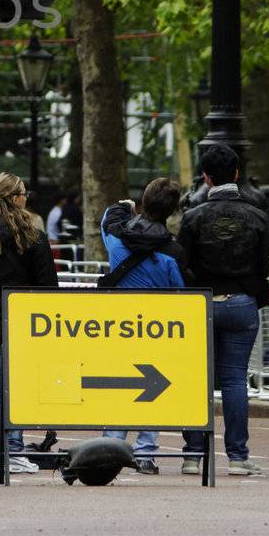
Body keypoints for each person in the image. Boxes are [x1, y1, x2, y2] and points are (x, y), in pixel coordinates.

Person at [178, 143, 269, 477]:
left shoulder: (192, 217)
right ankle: (237, 455)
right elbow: (266, 265)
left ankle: (192, 455)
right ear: (236, 173)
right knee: (234, 379)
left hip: (201, 303)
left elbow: (183, 264)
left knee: (196, 379)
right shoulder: (258, 216)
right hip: (241, 302)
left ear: (205, 177)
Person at [0, 171, 57, 477]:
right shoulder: (32, 235)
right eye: (24, 194)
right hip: (21, 319)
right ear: (16, 199)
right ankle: (12, 448)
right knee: (11, 388)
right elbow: (47, 284)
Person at [100, 177, 185, 473]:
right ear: (172, 211)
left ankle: (111, 445)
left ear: (143, 203)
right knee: (153, 388)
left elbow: (105, 222)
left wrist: (123, 207)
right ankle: (145, 452)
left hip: (119, 325)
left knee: (118, 386)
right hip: (157, 329)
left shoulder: (117, 241)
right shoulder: (172, 252)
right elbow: (182, 292)